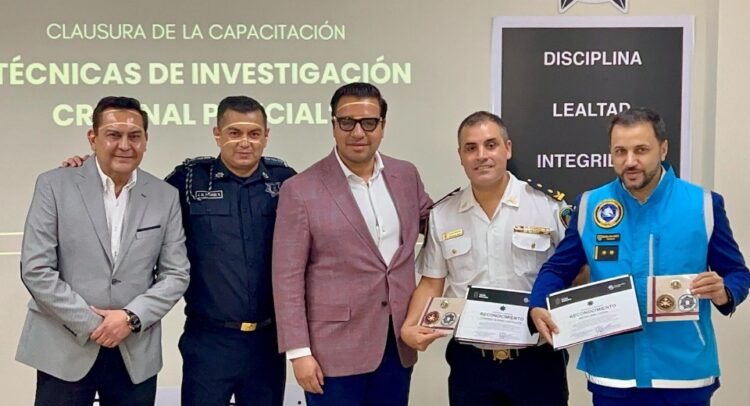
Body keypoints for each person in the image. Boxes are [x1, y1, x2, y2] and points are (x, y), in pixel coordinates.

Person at [62, 96, 295, 406]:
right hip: (209, 339)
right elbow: (136, 195)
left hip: (268, 339)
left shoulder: (286, 181)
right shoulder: (188, 180)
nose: (244, 142)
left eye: (254, 134)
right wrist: (88, 171)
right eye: (234, 133)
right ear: (217, 134)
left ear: (266, 136)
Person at [529, 107, 750, 406]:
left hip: (683, 372)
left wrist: (724, 292)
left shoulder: (704, 204)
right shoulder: (590, 205)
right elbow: (558, 268)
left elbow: (737, 274)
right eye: (620, 151)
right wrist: (538, 303)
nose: (630, 161)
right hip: (613, 372)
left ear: (663, 149)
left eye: (641, 150)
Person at [17, 96, 190, 405]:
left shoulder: (164, 195)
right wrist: (95, 324)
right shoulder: (54, 185)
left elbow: (176, 274)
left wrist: (130, 319)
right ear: (93, 138)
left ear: (146, 141)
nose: (125, 145)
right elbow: (36, 269)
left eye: (134, 136)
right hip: (64, 347)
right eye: (113, 135)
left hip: (134, 350)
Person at [272, 82, 432, 406]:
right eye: (347, 122)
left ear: (382, 126)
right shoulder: (300, 189)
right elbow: (286, 277)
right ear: (333, 124)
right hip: (332, 351)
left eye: (369, 122)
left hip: (396, 343)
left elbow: (435, 223)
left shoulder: (405, 175)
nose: (358, 132)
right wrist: (299, 352)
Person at [401, 111, 570, 405]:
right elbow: (431, 282)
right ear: (460, 156)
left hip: (538, 359)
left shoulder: (547, 206)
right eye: (471, 148)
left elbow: (575, 271)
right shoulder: (443, 214)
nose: (481, 155)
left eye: (491, 145)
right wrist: (409, 326)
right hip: (471, 363)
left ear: (507, 148)